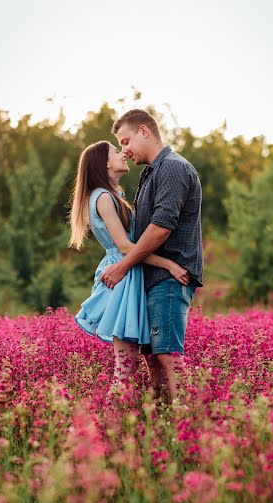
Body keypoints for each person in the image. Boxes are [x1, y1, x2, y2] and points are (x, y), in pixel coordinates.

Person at [69, 140, 190, 397]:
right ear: (104, 162)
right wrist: (168, 264)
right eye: (116, 151)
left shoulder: (112, 195)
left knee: (131, 364)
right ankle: (106, 429)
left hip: (129, 275)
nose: (123, 153)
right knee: (125, 368)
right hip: (122, 277)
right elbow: (126, 248)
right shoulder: (102, 197)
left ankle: (129, 422)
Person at [100, 109, 203, 402]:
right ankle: (163, 425)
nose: (125, 150)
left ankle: (189, 425)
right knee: (154, 358)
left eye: (126, 141)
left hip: (169, 280)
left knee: (168, 355)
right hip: (153, 278)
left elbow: (160, 228)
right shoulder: (151, 172)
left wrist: (123, 266)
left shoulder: (171, 167)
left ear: (144, 131)